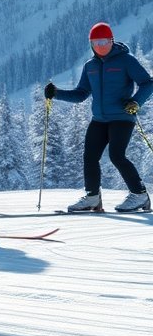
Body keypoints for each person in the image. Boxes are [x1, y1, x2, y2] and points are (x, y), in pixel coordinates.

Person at [45, 22, 152, 213]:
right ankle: (92, 197)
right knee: (90, 156)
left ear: (111, 40)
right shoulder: (90, 66)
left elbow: (147, 83)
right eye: (96, 42)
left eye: (104, 41)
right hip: (99, 120)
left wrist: (136, 102)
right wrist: (56, 93)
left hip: (122, 117)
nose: (100, 45)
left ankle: (140, 195)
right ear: (91, 44)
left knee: (116, 155)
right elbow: (81, 94)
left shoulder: (126, 60)